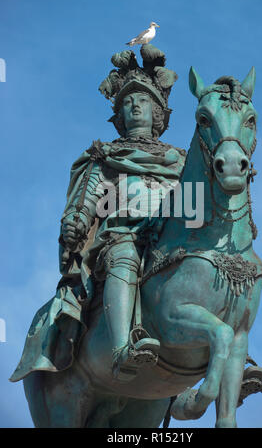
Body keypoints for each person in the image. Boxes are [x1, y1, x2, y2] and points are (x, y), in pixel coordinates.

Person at [59, 45, 185, 381]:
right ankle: (120, 350)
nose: (134, 107)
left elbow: (199, 204)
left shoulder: (184, 161)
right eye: (127, 103)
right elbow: (86, 200)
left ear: (157, 110)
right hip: (124, 235)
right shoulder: (105, 156)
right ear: (119, 114)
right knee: (124, 254)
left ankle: (235, 352)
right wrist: (76, 224)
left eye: (142, 101)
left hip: (174, 239)